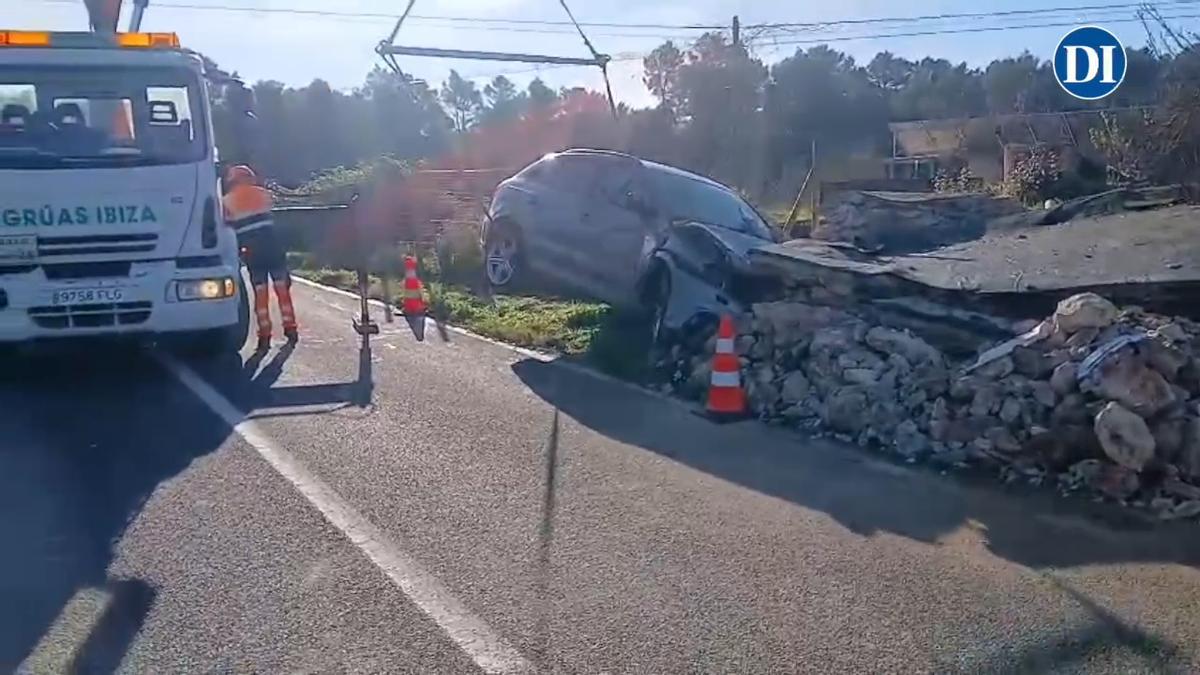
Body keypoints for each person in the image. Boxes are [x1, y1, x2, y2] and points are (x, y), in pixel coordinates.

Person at [222, 164, 298, 350]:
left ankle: (264, 335)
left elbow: (227, 228)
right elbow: (277, 217)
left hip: (253, 253)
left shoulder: (226, 202)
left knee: (260, 293)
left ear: (231, 181)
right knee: (282, 289)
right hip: (273, 247)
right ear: (250, 177)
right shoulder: (263, 194)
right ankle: (290, 328)